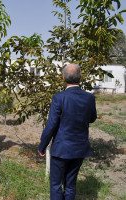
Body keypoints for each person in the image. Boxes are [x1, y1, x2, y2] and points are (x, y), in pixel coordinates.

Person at [38, 64, 97, 200]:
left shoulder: (58, 98)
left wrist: (42, 146)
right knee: (70, 184)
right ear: (80, 77)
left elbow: (51, 125)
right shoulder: (89, 98)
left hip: (61, 149)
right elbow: (92, 118)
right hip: (80, 148)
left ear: (63, 78)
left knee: (56, 185)